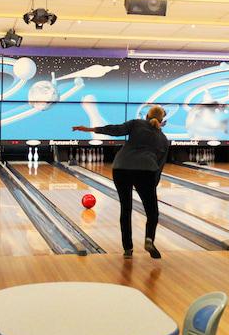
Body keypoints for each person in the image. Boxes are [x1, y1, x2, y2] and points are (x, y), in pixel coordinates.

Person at [72, 106, 168, 259]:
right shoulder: (163, 140)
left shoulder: (136, 123)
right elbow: (159, 166)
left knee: (126, 208)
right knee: (152, 212)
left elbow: (115, 130)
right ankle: (149, 239)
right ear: (162, 121)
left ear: (146, 116)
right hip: (146, 170)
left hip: (121, 168)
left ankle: (128, 249)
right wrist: (151, 187)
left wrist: (89, 129)